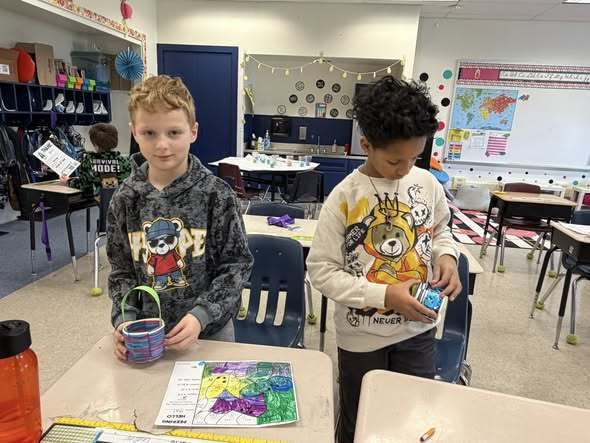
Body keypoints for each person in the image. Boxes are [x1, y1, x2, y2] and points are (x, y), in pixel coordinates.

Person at [306, 76, 462, 443]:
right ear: (367, 145)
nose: (406, 169)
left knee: (412, 422)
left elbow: (441, 231)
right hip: (362, 339)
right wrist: (385, 296)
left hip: (418, 331)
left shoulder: (427, 184)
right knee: (358, 424)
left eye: (414, 158)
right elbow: (321, 272)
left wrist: (447, 257)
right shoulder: (345, 197)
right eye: (396, 160)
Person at [106, 75, 253, 361]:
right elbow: (121, 270)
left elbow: (237, 265)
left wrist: (202, 314)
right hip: (146, 333)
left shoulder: (216, 194)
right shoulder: (125, 198)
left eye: (174, 132)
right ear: (134, 132)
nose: (162, 145)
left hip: (210, 332)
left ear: (193, 132)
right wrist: (124, 318)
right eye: (149, 133)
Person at [60, 123, 131, 197]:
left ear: (95, 144)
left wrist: (68, 181)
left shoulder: (89, 162)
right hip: (123, 203)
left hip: (101, 202)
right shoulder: (125, 162)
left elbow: (84, 186)